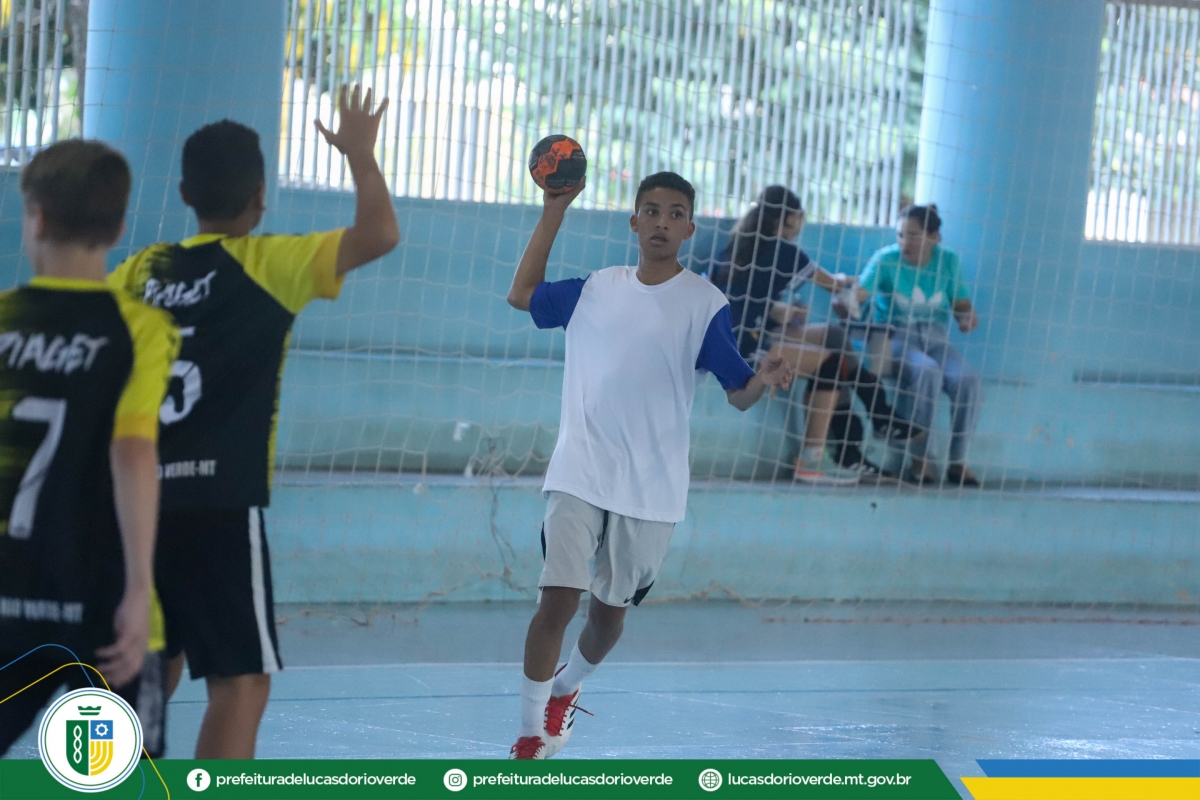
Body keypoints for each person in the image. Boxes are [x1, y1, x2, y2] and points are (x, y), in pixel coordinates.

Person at [107, 85, 400, 759]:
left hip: (134, 503)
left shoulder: (139, 271)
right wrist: (359, 153)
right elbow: (381, 233)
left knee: (148, 671)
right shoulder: (269, 264)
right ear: (261, 197)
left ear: (185, 192)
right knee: (240, 683)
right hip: (219, 505)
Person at [505, 171, 791, 759]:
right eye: (652, 211)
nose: (662, 221)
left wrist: (762, 379)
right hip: (580, 469)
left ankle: (566, 687)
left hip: (651, 487)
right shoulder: (595, 289)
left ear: (690, 228)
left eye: (675, 213)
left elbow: (739, 394)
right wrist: (554, 210)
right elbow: (521, 293)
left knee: (607, 619)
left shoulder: (705, 304)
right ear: (634, 221)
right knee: (556, 600)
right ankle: (531, 733)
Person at [0, 141, 177, 754]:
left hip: (8, 589)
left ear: (37, 219)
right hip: (104, 597)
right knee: (127, 771)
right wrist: (139, 589)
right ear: (119, 229)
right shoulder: (141, 327)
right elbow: (133, 453)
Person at [709, 185, 919, 484]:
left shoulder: (739, 244)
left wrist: (780, 311)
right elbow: (834, 284)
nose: (801, 225)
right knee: (832, 365)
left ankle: (856, 443)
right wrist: (871, 279)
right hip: (742, 347)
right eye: (800, 218)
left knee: (834, 336)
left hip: (735, 335)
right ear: (790, 218)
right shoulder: (785, 250)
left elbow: (742, 298)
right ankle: (813, 459)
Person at [856, 204, 983, 486]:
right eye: (900, 235)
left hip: (936, 339)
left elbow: (961, 303)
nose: (905, 242)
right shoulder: (885, 260)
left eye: (912, 235)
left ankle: (958, 462)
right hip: (895, 338)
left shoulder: (948, 261)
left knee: (968, 381)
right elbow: (859, 293)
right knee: (927, 372)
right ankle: (920, 461)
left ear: (934, 237)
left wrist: (967, 317)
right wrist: (847, 301)